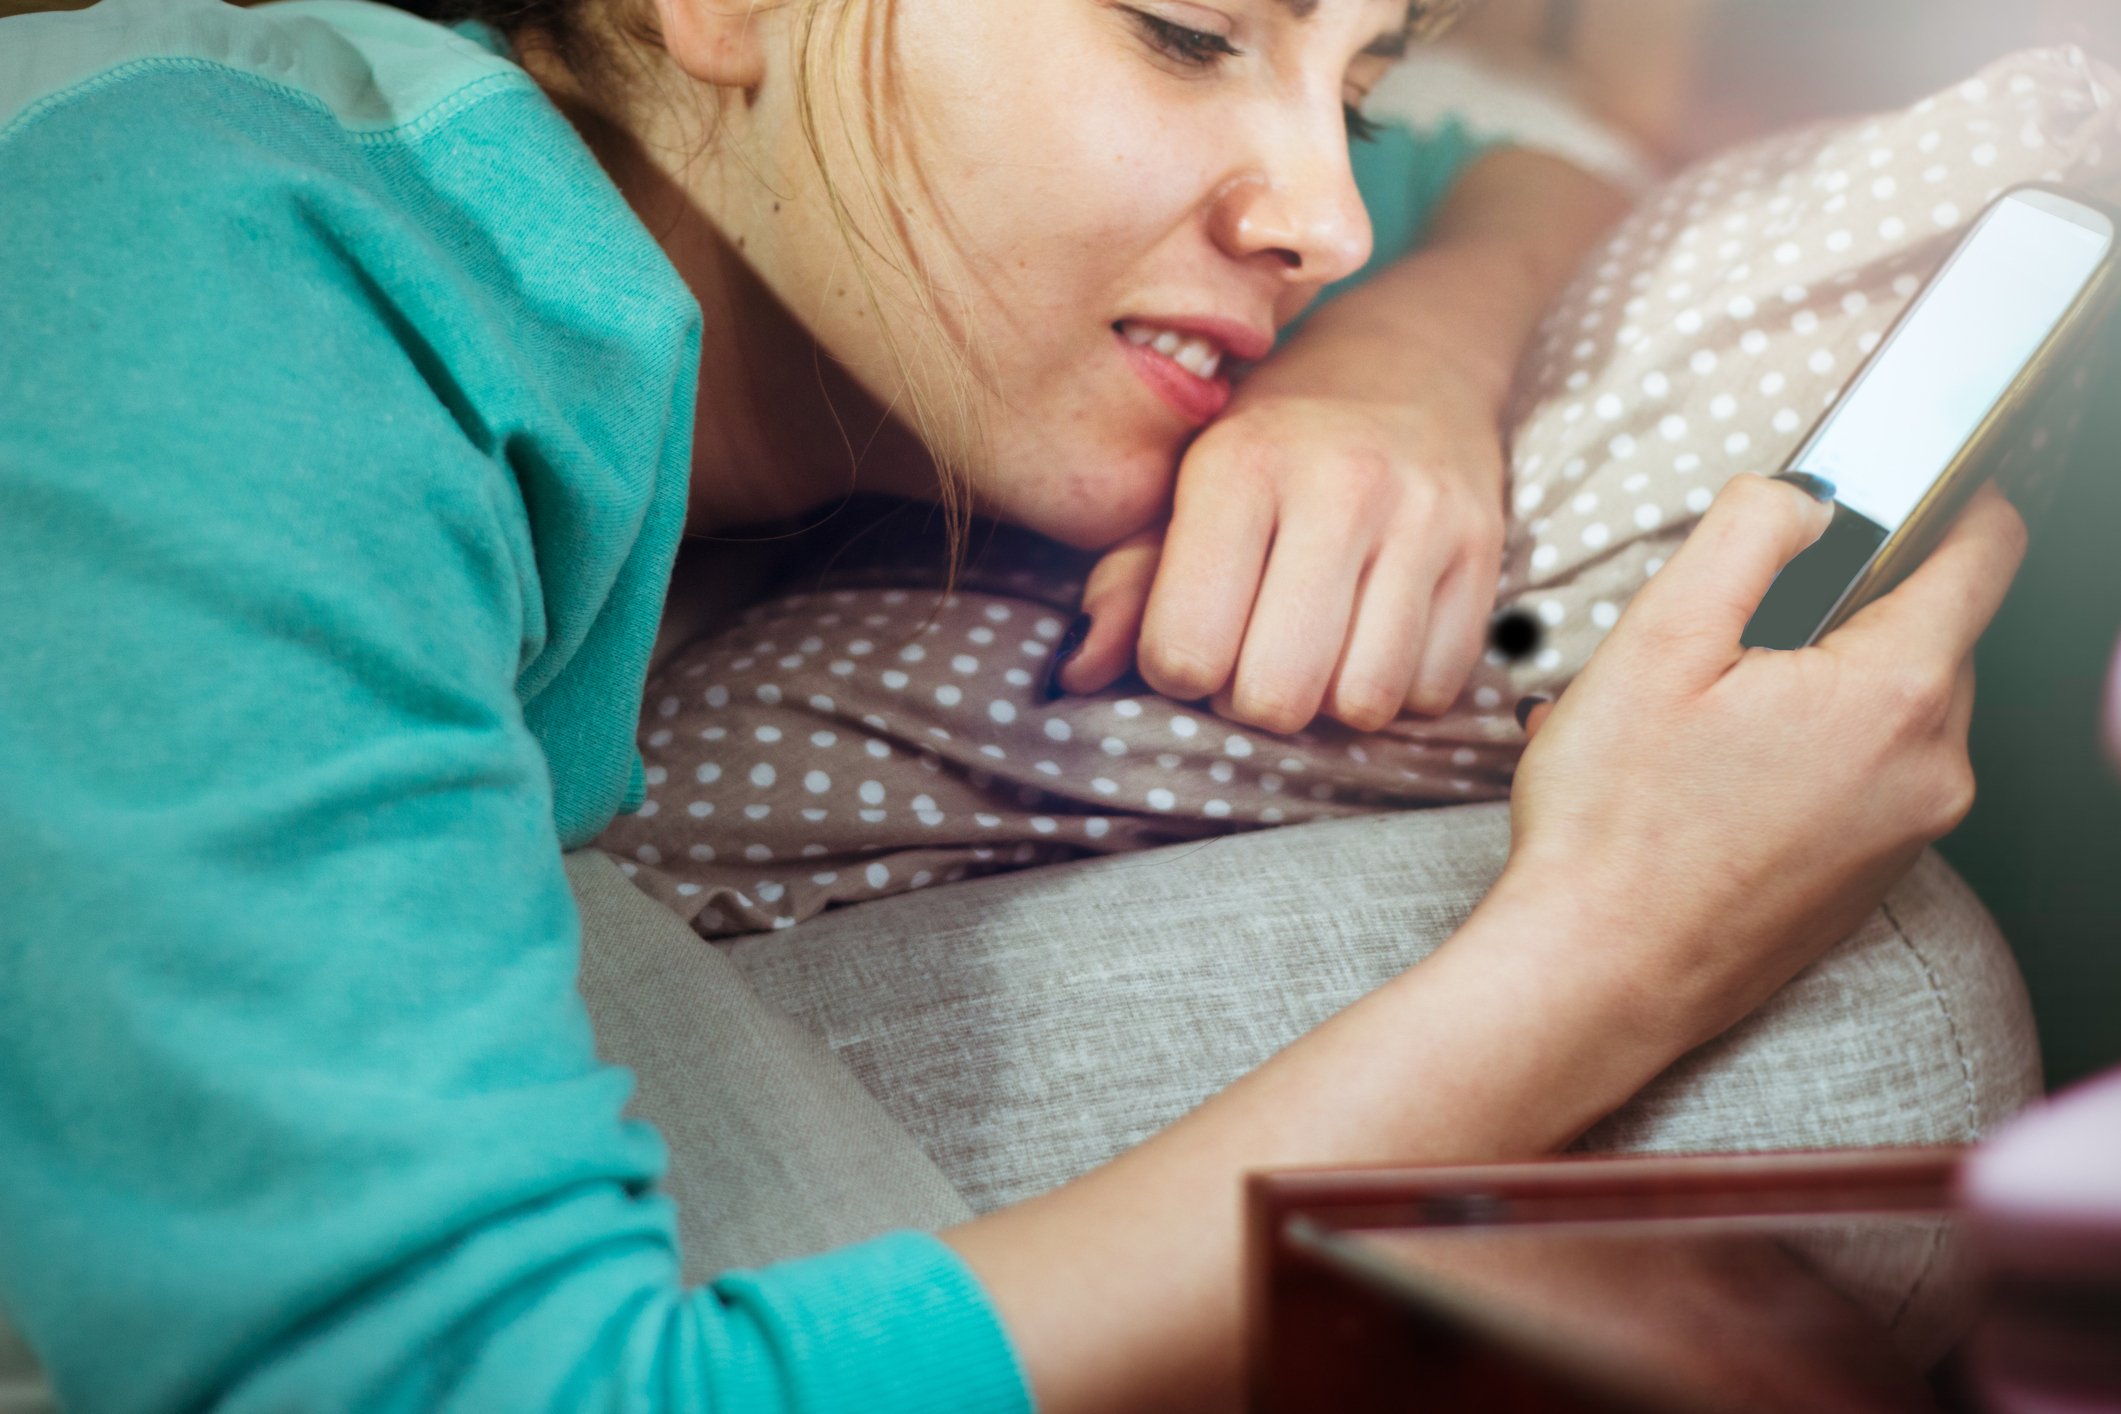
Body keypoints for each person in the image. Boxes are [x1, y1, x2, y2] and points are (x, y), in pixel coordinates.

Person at [0, 1, 2029, 1412]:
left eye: (1358, 84)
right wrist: (1604, 954)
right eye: (1178, 26)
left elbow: (1529, 154)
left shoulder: (850, 279)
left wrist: (1408, 344)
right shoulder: (205, 269)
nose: (1315, 209)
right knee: (1849, 1033)